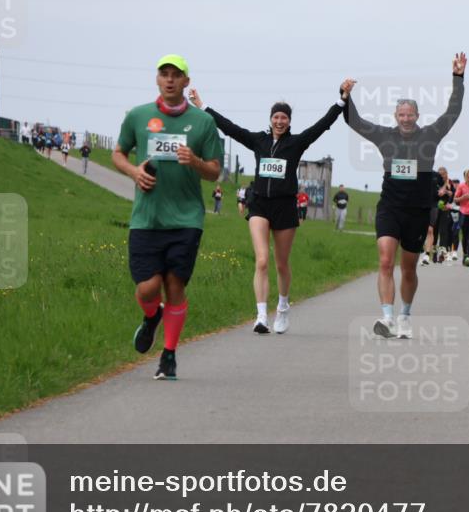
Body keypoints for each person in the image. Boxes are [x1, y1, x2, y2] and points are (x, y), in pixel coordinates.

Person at [189, 80, 349, 334]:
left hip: (285, 206)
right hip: (260, 204)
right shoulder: (259, 141)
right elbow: (230, 128)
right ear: (270, 118)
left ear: (289, 121)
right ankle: (261, 315)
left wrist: (341, 101)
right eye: (276, 117)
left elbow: (322, 126)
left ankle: (283, 307)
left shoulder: (296, 143)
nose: (279, 121)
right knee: (261, 261)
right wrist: (202, 106)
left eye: (284, 117)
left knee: (281, 264)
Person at [112, 54, 223, 380]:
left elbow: (215, 171)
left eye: (177, 75)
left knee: (175, 284)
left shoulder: (203, 123)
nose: (171, 79)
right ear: (157, 79)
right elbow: (118, 153)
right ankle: (151, 317)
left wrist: (195, 162)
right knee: (148, 288)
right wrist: (134, 172)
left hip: (187, 218)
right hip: (147, 218)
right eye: (165, 74)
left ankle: (169, 356)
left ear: (187, 82)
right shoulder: (138, 116)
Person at [343, 52, 467, 338]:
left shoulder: (430, 135)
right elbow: (356, 122)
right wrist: (345, 97)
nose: (406, 119)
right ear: (395, 117)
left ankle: (405, 316)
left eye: (410, 114)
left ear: (417, 117)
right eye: (401, 115)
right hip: (390, 208)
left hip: (418, 210)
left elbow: (453, 111)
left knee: (408, 268)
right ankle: (387, 318)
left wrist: (458, 78)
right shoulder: (385, 136)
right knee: (385, 261)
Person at [453, 168, 469, 266]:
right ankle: (465, 254)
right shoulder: (461, 186)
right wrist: (463, 198)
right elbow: (455, 200)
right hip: (463, 213)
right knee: (465, 236)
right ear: (465, 177)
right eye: (468, 177)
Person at [433, 167, 454, 263]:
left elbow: (453, 194)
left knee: (443, 232)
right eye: (440, 174)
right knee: (434, 232)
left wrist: (447, 192)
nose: (442, 175)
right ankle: (434, 254)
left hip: (445, 209)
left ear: (446, 174)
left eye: (443, 174)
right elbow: (432, 194)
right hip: (435, 208)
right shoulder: (435, 182)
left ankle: (441, 254)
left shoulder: (450, 183)